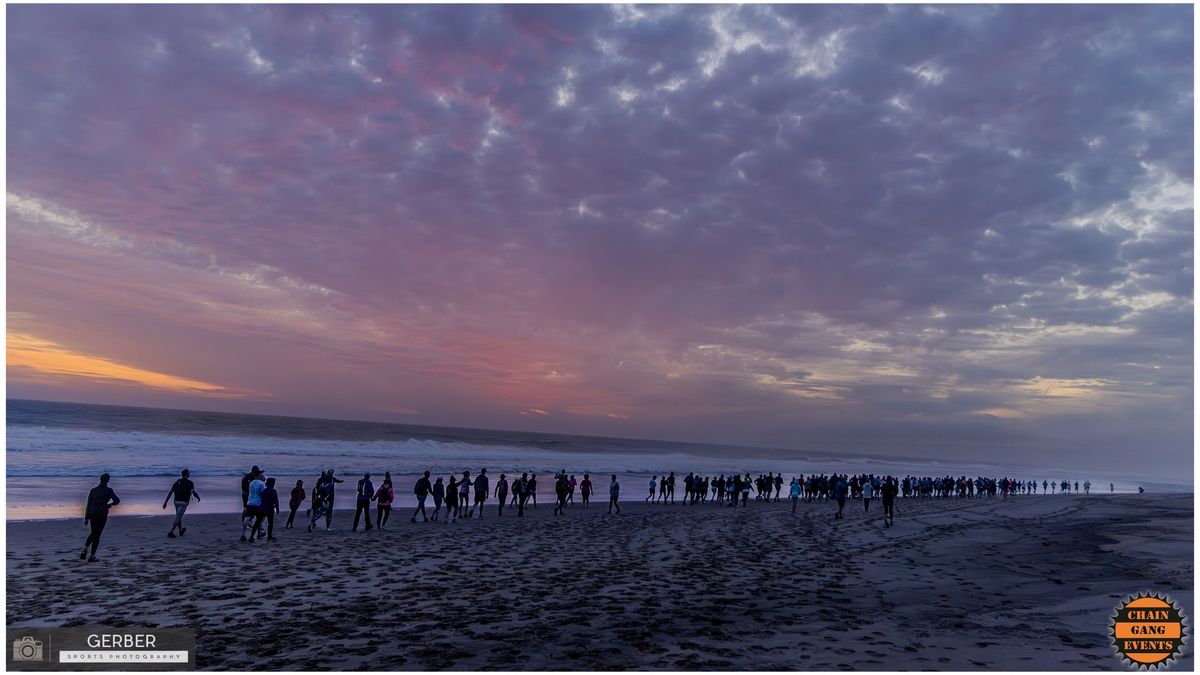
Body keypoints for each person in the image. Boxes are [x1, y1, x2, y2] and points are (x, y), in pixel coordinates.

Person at [81, 473, 120, 562]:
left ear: (100, 479)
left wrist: (86, 517)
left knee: (93, 532)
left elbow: (88, 504)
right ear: (108, 480)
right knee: (97, 535)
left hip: (92, 513)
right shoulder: (109, 490)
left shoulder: (93, 490)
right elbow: (117, 500)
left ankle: (84, 549)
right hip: (102, 514)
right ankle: (92, 556)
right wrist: (110, 505)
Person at [162, 468, 200, 538]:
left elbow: (170, 492)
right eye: (189, 473)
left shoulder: (177, 482)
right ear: (187, 474)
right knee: (178, 517)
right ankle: (171, 532)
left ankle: (180, 531)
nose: (189, 474)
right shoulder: (190, 483)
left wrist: (165, 502)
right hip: (184, 503)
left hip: (176, 502)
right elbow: (193, 492)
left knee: (179, 516)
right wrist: (198, 497)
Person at [241, 468, 267, 542]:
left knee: (247, 518)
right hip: (258, 503)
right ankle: (253, 535)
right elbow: (263, 493)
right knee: (259, 520)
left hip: (250, 503)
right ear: (259, 475)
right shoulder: (261, 483)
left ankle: (243, 534)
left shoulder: (251, 483)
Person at [260, 477, 280, 541]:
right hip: (270, 509)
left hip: (263, 508)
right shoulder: (274, 491)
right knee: (270, 523)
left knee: (260, 521)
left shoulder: (264, 491)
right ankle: (269, 536)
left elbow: (262, 500)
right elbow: (276, 501)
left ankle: (257, 534)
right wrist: (277, 509)